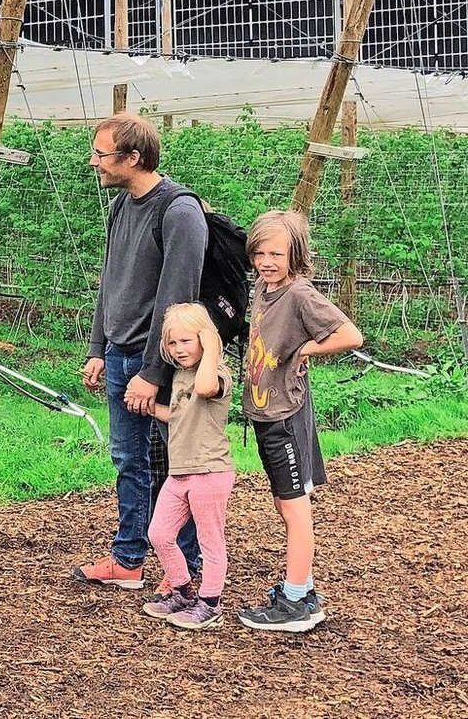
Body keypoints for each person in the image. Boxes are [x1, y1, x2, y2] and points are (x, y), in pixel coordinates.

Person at [75, 112, 206, 592]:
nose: (94, 163)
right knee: (129, 460)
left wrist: (153, 372)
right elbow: (110, 282)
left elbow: (179, 302)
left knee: (178, 464)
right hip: (119, 356)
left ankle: (189, 568)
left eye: (101, 154)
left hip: (161, 366)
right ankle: (129, 558)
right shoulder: (122, 207)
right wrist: (98, 348)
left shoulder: (178, 211)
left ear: (133, 157)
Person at [237, 210, 362, 632]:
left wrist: (305, 350)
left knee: (295, 509)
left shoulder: (300, 294)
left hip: (284, 415)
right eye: (260, 252)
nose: (267, 260)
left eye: (277, 253)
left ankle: (295, 604)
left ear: (296, 254)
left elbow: (349, 335)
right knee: (284, 502)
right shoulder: (264, 286)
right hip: (265, 411)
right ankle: (302, 589)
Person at [140, 303, 235, 631]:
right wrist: (150, 407)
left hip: (209, 471)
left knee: (210, 541)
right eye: (172, 343)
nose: (179, 350)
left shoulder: (217, 372)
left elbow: (206, 388)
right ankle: (181, 591)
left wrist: (212, 347)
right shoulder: (181, 376)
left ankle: (211, 603)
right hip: (180, 472)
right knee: (159, 533)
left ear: (205, 340)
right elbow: (180, 414)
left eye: (187, 341)